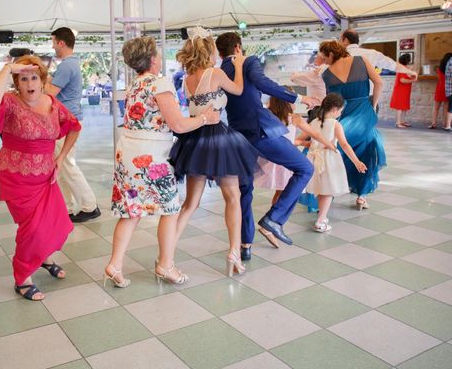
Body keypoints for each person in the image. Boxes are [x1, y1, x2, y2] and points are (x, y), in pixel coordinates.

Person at [105, 36, 220, 287]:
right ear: (153, 59)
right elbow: (178, 124)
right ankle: (165, 265)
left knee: (131, 211)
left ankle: (115, 265)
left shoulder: (134, 84)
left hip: (127, 152)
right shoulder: (160, 83)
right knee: (170, 209)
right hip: (152, 155)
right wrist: (206, 119)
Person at [0, 55, 79, 301]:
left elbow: (74, 126)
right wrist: (7, 68)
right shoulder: (9, 102)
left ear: (42, 80)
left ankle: (44, 259)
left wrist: (61, 158)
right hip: (16, 176)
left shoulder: (52, 102)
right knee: (32, 228)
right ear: (16, 82)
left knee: (51, 221)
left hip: (46, 176)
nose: (29, 83)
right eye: (23, 78)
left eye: (34, 77)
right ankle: (22, 278)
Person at [216, 32, 318, 257]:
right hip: (260, 131)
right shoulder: (248, 62)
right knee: (305, 168)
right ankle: (274, 219)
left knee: (244, 191)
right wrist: (300, 99)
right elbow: (263, 83)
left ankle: (245, 246)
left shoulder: (218, 72)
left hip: (236, 136)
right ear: (239, 48)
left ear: (219, 52)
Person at [170, 28, 260, 276]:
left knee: (190, 203)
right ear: (209, 50)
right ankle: (233, 251)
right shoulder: (216, 73)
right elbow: (239, 89)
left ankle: (168, 252)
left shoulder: (186, 79)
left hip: (194, 140)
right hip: (219, 139)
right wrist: (240, 64)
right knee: (232, 197)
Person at [319, 40, 386, 210]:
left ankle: (329, 190)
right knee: (367, 147)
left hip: (343, 114)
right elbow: (379, 82)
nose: (323, 61)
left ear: (331, 54)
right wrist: (373, 104)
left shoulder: (327, 75)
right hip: (364, 110)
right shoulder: (361, 61)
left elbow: (331, 102)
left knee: (338, 148)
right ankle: (362, 196)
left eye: (324, 57)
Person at [46, 27, 100, 222]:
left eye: (53, 42)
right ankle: (67, 207)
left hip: (65, 121)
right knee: (61, 166)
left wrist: (36, 82)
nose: (52, 46)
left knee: (66, 163)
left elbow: (50, 92)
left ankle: (89, 206)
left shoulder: (67, 65)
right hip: (65, 119)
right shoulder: (70, 64)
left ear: (61, 42)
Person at [254, 92, 336, 206]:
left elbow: (283, 139)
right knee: (284, 192)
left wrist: (302, 142)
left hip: (273, 157)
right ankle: (275, 216)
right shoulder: (294, 118)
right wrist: (331, 145)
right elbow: (316, 134)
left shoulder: (269, 117)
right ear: (287, 102)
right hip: (288, 158)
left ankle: (274, 215)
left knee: (280, 192)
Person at [305, 93, 367, 232]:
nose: (340, 113)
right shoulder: (335, 124)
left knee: (322, 189)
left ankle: (322, 215)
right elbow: (345, 145)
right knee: (328, 191)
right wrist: (356, 161)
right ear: (334, 109)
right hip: (329, 159)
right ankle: (320, 221)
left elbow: (305, 139)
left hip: (314, 158)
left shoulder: (314, 121)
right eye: (340, 110)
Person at [340, 29, 417, 77]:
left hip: (342, 100)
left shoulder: (338, 56)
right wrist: (411, 72)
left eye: (340, 40)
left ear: (346, 40)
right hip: (368, 99)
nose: (339, 43)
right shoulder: (373, 54)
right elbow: (394, 66)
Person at [389, 54, 417, 128]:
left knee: (404, 107)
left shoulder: (404, 68)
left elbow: (408, 76)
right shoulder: (401, 69)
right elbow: (402, 80)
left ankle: (402, 121)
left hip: (404, 91)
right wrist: (413, 80)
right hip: (400, 90)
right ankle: (398, 123)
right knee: (399, 107)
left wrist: (412, 75)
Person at [431, 53, 451, 129]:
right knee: (446, 109)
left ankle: (433, 123)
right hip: (447, 89)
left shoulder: (439, 68)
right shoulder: (449, 68)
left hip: (439, 88)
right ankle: (445, 124)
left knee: (436, 108)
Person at [445, 55, 452, 132]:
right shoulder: (451, 63)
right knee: (451, 108)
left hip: (449, 89)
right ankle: (448, 126)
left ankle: (448, 125)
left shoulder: (449, 62)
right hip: (451, 90)